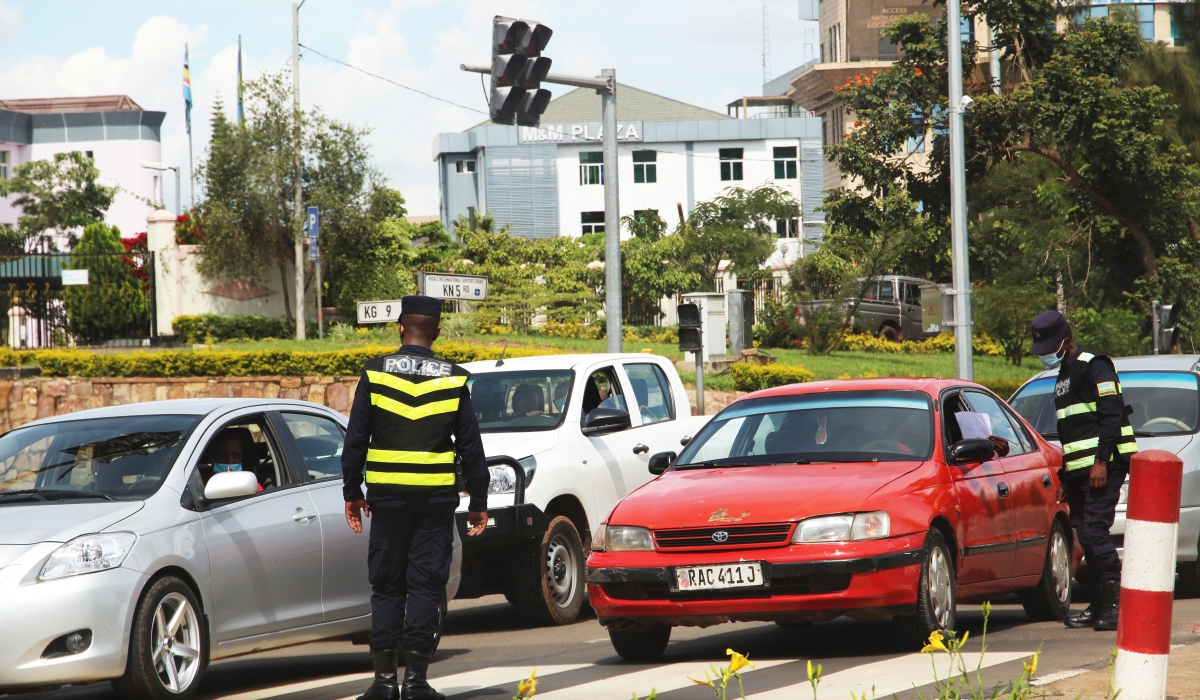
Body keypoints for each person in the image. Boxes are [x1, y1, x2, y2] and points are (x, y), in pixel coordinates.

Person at [342, 295, 489, 700]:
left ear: (401, 329)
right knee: (426, 585)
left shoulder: (375, 373)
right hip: (435, 502)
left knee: (387, 585)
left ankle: (385, 683)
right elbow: (472, 448)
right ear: (438, 333)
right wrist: (479, 500)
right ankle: (417, 682)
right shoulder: (454, 378)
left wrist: (352, 492)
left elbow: (355, 442)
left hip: (386, 500)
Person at [1030, 309, 1138, 631]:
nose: (1046, 354)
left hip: (1105, 464)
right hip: (1080, 471)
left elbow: (1110, 415)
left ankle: (1115, 605)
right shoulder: (1063, 376)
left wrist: (1102, 460)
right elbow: (1072, 432)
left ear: (1065, 339)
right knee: (1085, 537)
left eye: (1050, 345)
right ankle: (1099, 604)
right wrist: (1066, 477)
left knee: (1094, 532)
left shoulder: (1095, 365)